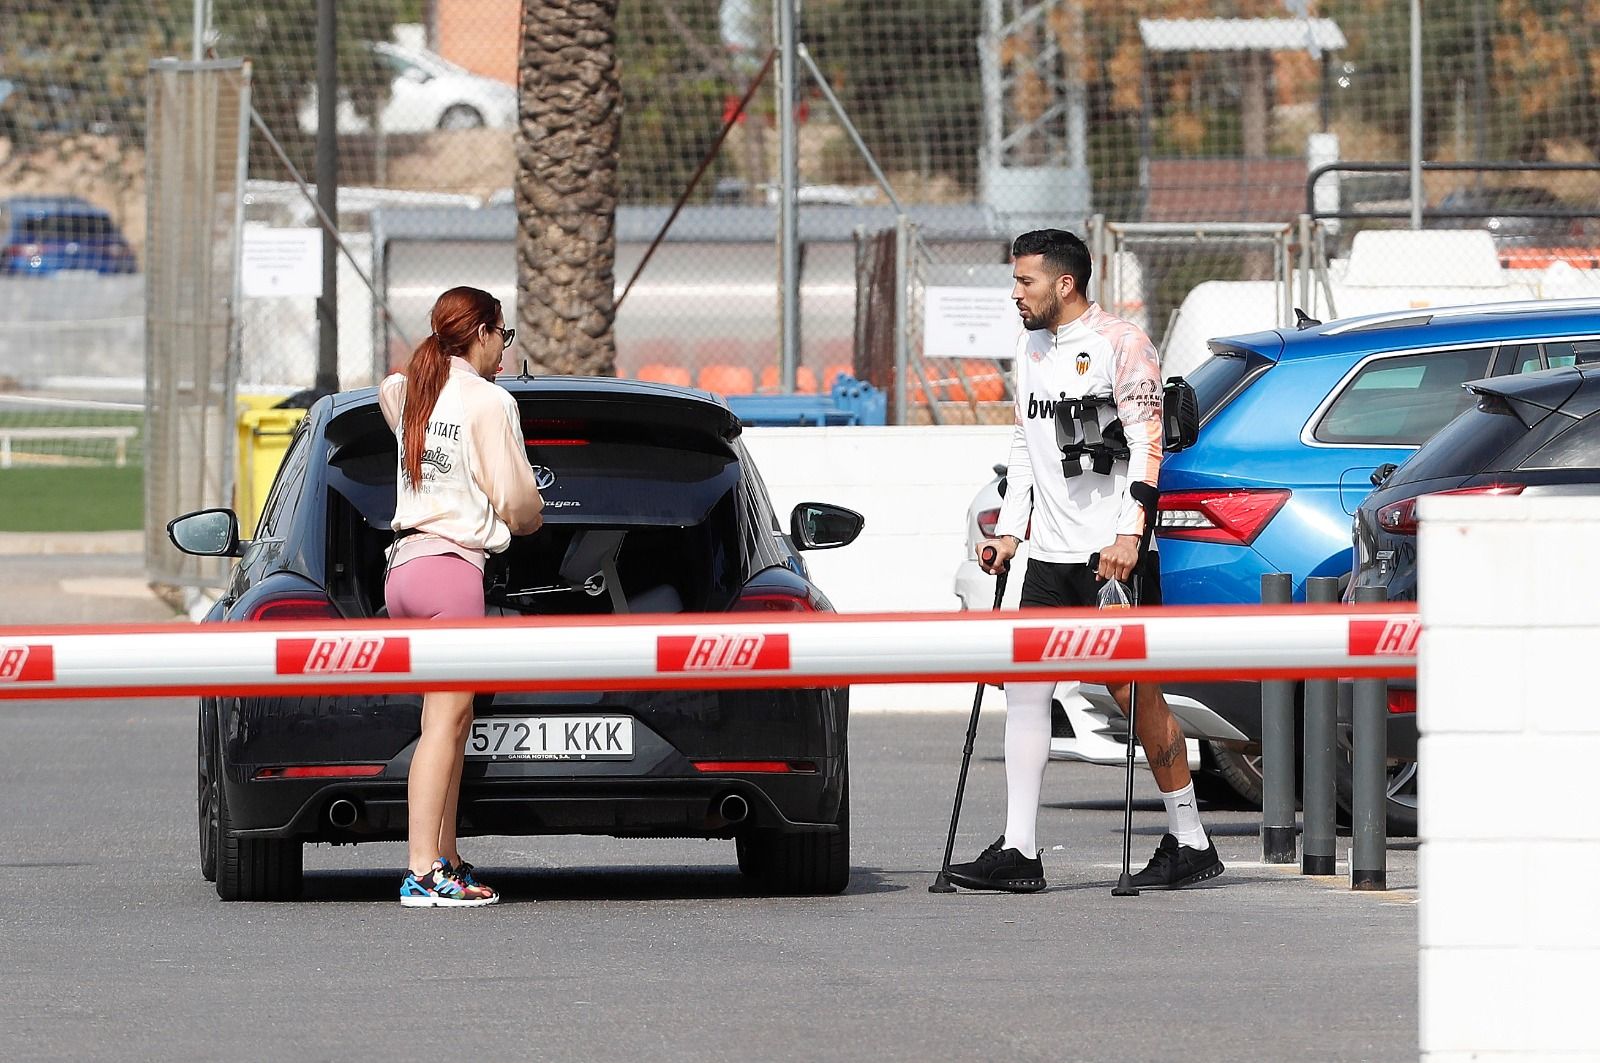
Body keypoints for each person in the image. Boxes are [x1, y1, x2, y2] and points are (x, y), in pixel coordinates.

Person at [946, 229, 1225, 893]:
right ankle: (1019, 848)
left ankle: (1190, 837)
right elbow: (1025, 441)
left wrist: (1131, 534)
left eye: (1025, 282)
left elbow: (1149, 443)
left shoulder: (1121, 343)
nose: (1016, 293)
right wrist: (1010, 531)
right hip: (1048, 554)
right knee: (1026, 688)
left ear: (1064, 283)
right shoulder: (1029, 345)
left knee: (1134, 693)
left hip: (1112, 555)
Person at [379, 285, 544, 908]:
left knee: (447, 720)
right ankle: (423, 870)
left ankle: (444, 857)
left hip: (404, 571)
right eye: (503, 335)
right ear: (480, 332)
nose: (505, 348)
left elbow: (388, 395)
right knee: (444, 725)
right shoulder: (489, 401)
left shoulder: (412, 388)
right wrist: (531, 520)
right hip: (452, 572)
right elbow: (517, 501)